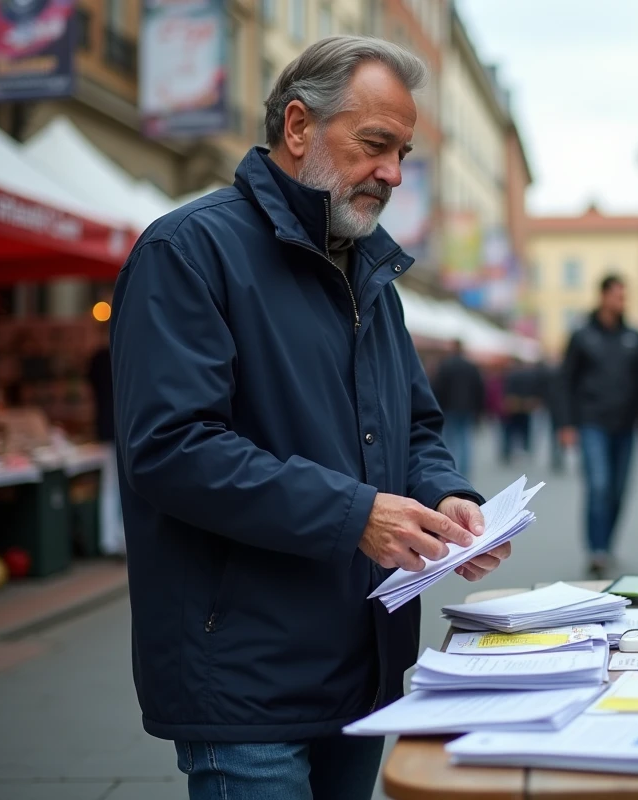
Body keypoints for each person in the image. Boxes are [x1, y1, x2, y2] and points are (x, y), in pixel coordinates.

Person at [109, 37, 512, 800]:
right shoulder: (188, 252)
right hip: (243, 676)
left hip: (364, 666)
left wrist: (446, 497)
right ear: (298, 128)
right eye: (375, 146)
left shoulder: (370, 271)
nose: (393, 173)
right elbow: (172, 448)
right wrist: (355, 513)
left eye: (403, 152)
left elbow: (415, 426)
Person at [557, 274, 638, 577]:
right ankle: (596, 549)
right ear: (603, 296)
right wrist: (566, 423)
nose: (622, 301)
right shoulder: (582, 336)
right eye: (618, 295)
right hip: (592, 423)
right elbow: (564, 381)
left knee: (618, 490)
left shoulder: (633, 337)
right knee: (599, 485)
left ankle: (607, 542)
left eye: (624, 296)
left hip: (626, 425)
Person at [86, 332, 125, 557]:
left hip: (104, 427)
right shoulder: (120, 354)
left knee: (110, 487)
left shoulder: (98, 358)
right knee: (116, 487)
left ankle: (110, 539)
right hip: (119, 429)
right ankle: (114, 539)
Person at [431, 338, 485, 478]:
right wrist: (478, 410)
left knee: (450, 439)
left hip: (449, 407)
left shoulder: (445, 365)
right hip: (468, 407)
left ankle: (452, 469)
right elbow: (479, 389)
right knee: (465, 438)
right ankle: (464, 470)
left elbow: (438, 389)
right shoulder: (471, 366)